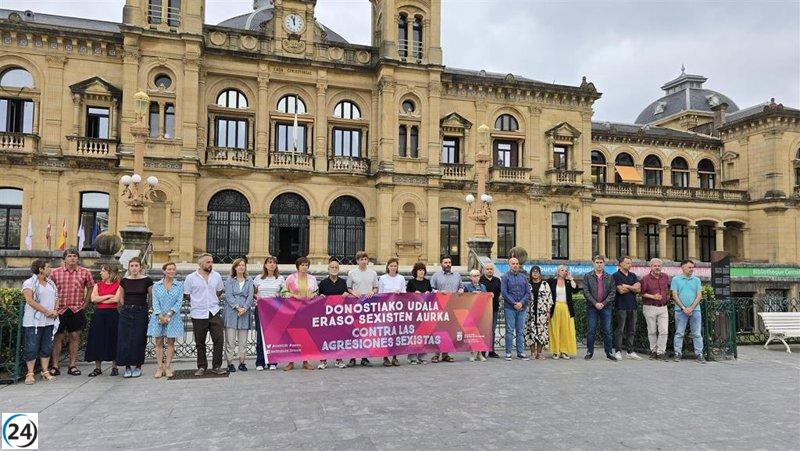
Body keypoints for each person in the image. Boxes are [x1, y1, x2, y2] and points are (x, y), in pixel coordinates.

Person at [49, 248, 94, 377]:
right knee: (58, 337)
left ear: (78, 258)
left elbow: (91, 287)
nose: (72, 258)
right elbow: (49, 288)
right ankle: (55, 365)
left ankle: (72, 365)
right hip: (60, 309)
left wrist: (85, 303)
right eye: (69, 256)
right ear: (65, 259)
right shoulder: (55, 273)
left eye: (75, 256)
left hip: (76, 308)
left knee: (74, 336)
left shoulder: (85, 272)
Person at [183, 254, 226, 376]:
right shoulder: (190, 278)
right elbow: (187, 294)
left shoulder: (216, 276)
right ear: (200, 264)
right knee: (200, 341)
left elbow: (219, 291)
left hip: (214, 311)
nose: (210, 264)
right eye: (207, 262)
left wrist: (211, 301)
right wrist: (198, 302)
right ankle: (202, 366)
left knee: (219, 339)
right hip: (198, 313)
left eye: (211, 262)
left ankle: (217, 366)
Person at [21, 259, 59, 385]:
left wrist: (54, 310)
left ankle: (45, 371)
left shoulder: (51, 283)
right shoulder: (29, 283)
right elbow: (30, 300)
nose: (50, 269)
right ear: (40, 269)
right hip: (33, 321)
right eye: (48, 267)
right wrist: (46, 311)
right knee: (31, 346)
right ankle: (30, 373)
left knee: (47, 346)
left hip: (48, 321)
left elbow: (56, 298)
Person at [117, 257, 154, 378]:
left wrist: (147, 309)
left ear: (140, 267)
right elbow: (121, 296)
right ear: (129, 267)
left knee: (138, 338)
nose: (134, 268)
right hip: (126, 311)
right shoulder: (124, 281)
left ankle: (138, 366)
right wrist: (124, 307)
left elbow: (151, 297)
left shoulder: (147, 280)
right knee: (125, 339)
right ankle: (127, 366)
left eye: (136, 266)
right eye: (132, 266)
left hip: (140, 311)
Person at [147, 262, 184, 379]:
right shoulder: (156, 285)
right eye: (169, 269)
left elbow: (179, 301)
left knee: (171, 342)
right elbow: (155, 301)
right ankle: (159, 367)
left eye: (173, 269)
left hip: (173, 317)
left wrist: (169, 314)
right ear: (164, 271)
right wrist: (160, 315)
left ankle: (167, 366)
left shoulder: (179, 285)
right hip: (158, 316)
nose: (172, 271)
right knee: (158, 342)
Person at [281, 256, 318, 371]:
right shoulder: (291, 278)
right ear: (298, 266)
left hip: (307, 310)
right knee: (292, 335)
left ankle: (305, 361)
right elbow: (283, 292)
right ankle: (290, 361)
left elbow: (316, 291)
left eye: (306, 265)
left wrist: (313, 295)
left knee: (306, 335)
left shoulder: (312, 278)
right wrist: (294, 295)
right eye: (302, 265)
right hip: (293, 310)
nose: (304, 267)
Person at [85, 264, 121, 377]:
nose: (101, 273)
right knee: (97, 339)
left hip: (113, 314)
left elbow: (116, 299)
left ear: (110, 273)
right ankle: (97, 367)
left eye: (103, 271)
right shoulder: (98, 285)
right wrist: (109, 296)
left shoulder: (119, 285)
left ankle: (114, 367)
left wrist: (102, 299)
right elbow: (93, 299)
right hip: (99, 314)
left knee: (113, 339)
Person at [582, 255, 618, 361]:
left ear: (604, 264)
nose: (599, 264)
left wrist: (603, 303)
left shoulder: (609, 277)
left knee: (607, 330)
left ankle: (609, 353)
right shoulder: (587, 276)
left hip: (606, 307)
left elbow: (612, 292)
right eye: (597, 262)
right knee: (591, 330)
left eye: (601, 262)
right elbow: (586, 292)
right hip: (592, 307)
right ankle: (589, 352)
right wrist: (595, 303)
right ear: (593, 263)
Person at [346, 251, 378, 367]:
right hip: (356, 305)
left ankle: (365, 357)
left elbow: (376, 287)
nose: (364, 261)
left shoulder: (373, 273)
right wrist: (353, 292)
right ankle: (352, 357)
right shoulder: (352, 273)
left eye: (365, 259)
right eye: (361, 259)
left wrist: (372, 292)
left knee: (366, 331)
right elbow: (348, 287)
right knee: (354, 330)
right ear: (357, 261)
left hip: (368, 305)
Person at [252, 256, 284, 371]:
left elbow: (283, 294)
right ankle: (260, 361)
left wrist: (278, 297)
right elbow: (253, 293)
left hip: (274, 310)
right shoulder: (258, 278)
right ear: (265, 265)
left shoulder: (280, 279)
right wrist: (257, 296)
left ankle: (272, 362)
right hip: (261, 309)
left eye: (274, 263)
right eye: (269, 262)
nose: (272, 265)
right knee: (260, 336)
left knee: (273, 336)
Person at [430, 255, 463, 363]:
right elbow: (431, 289)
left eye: (449, 262)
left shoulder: (457, 275)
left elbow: (461, 286)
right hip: (440, 307)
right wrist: (439, 292)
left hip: (452, 306)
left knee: (449, 331)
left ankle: (446, 354)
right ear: (441, 264)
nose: (448, 264)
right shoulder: (436, 276)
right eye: (445, 262)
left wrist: (461, 290)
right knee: (439, 330)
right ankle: (436, 353)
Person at [671, 259, 705, 363]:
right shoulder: (676, 279)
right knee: (679, 333)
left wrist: (691, 308)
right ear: (683, 267)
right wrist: (683, 308)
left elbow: (699, 295)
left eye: (692, 267)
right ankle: (677, 354)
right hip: (680, 310)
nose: (692, 269)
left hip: (695, 310)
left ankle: (699, 354)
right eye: (689, 267)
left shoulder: (697, 280)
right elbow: (674, 295)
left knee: (697, 333)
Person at [224, 258, 254, 373]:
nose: (241, 267)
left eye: (243, 265)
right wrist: (237, 307)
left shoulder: (249, 280)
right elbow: (228, 295)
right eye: (239, 265)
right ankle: (230, 363)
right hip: (232, 311)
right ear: (235, 267)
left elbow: (250, 296)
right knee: (230, 340)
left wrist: (245, 308)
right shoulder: (230, 280)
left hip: (245, 313)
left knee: (243, 340)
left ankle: (242, 362)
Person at [317, 258, 348, 369]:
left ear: (338, 269)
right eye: (332, 267)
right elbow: (318, 297)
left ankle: (339, 360)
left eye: (336, 267)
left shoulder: (343, 282)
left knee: (339, 338)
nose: (334, 269)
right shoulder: (323, 283)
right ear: (328, 269)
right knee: (325, 338)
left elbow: (349, 297)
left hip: (339, 316)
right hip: (326, 316)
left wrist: (346, 295)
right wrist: (320, 297)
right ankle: (323, 360)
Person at [640, 258, 671, 361]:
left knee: (664, 331)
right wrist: (653, 297)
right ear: (651, 267)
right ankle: (653, 351)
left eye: (659, 266)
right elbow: (641, 293)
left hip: (663, 307)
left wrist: (667, 297)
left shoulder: (666, 277)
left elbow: (668, 289)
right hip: (650, 307)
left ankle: (661, 352)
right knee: (652, 331)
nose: (657, 267)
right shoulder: (645, 279)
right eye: (655, 266)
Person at [500, 257, 530, 361]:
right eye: (513, 263)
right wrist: (514, 303)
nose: (515, 265)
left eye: (517, 263)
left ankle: (520, 352)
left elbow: (527, 293)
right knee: (509, 330)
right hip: (510, 308)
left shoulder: (523, 277)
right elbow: (504, 292)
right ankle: (508, 352)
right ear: (509, 264)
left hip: (522, 307)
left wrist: (521, 303)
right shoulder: (505, 277)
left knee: (520, 331)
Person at [613, 256, 642, 360]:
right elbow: (620, 290)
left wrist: (627, 286)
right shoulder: (616, 275)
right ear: (621, 264)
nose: (630, 265)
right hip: (621, 306)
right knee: (620, 330)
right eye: (627, 263)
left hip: (633, 306)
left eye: (630, 263)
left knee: (631, 330)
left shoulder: (633, 275)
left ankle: (630, 351)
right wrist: (632, 287)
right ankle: (618, 351)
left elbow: (638, 289)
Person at [378, 257, 405, 367]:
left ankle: (395, 357)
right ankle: (385, 357)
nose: (393, 267)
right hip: (386, 309)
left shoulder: (401, 278)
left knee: (396, 333)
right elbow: (380, 293)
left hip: (397, 310)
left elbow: (404, 292)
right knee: (386, 333)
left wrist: (400, 293)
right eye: (391, 265)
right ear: (388, 267)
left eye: (395, 266)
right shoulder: (383, 278)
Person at [547, 265, 578, 360]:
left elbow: (576, 290)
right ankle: (556, 351)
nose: (564, 271)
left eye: (565, 270)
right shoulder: (551, 281)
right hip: (555, 307)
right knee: (555, 329)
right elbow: (547, 294)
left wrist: (571, 279)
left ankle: (564, 351)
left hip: (566, 308)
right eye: (562, 270)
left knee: (566, 330)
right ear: (557, 271)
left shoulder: (568, 282)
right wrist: (548, 310)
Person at [406, 261, 431, 365]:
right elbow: (406, 295)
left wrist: (428, 293)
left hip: (424, 311)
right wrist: (413, 293)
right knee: (414, 334)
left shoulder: (427, 282)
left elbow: (431, 293)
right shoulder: (411, 282)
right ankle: (412, 356)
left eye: (422, 270)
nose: (421, 272)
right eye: (419, 270)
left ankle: (422, 356)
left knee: (423, 333)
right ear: (415, 272)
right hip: (414, 311)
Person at [525, 265, 553, 360]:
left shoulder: (545, 284)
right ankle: (532, 353)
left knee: (541, 332)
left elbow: (549, 298)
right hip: (530, 312)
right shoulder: (528, 284)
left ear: (540, 273)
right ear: (531, 273)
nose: (535, 273)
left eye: (537, 272)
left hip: (542, 312)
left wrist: (548, 311)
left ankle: (539, 353)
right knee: (531, 331)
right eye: (533, 272)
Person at [464, 269, 487, 362]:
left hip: (482, 312)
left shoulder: (483, 286)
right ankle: (473, 352)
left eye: (477, 275)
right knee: (473, 334)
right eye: (474, 276)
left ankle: (480, 353)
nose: (476, 277)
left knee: (481, 333)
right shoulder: (467, 287)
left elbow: (486, 297)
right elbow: (463, 299)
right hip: (471, 312)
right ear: (470, 277)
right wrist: (471, 295)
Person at [479, 262, 502, 358]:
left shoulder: (497, 280)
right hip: (483, 310)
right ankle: (483, 350)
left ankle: (491, 350)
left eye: (491, 269)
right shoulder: (480, 280)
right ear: (484, 270)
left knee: (492, 330)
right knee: (483, 330)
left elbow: (500, 293)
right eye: (487, 269)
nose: (489, 271)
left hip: (494, 308)